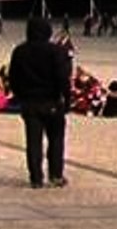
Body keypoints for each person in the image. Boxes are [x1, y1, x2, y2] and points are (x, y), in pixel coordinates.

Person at [8, 17, 72, 189]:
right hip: (51, 101)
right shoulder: (55, 51)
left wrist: (20, 96)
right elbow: (62, 78)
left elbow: (13, 78)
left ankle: (36, 177)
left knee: (33, 142)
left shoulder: (20, 51)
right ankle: (56, 175)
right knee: (56, 139)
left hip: (30, 103)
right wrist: (67, 99)